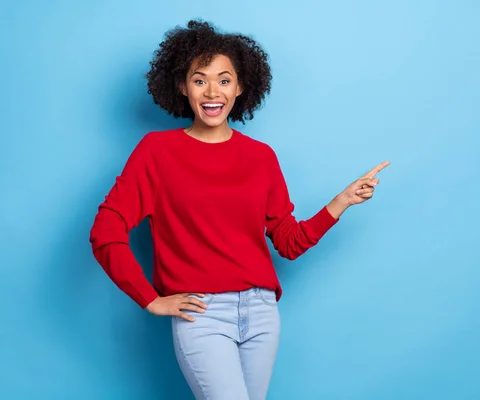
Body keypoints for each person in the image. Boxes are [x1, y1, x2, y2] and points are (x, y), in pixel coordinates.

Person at [89, 19, 389, 400]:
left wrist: (341, 202)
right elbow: (107, 229)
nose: (212, 91)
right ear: (182, 86)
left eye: (224, 80)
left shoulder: (261, 157)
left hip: (262, 311)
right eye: (200, 80)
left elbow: (289, 242)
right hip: (202, 314)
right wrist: (148, 297)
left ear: (241, 86)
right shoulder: (156, 152)